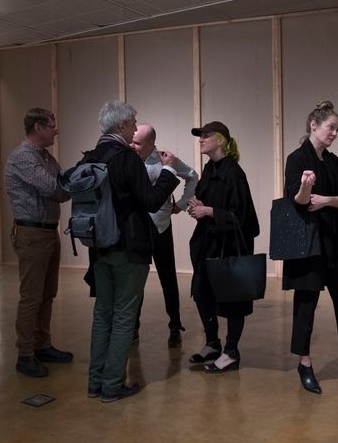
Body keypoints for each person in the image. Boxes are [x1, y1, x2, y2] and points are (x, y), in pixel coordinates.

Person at [85, 101, 180, 402]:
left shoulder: (92, 156)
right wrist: (168, 172)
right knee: (124, 315)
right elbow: (151, 201)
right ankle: (113, 384)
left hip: (99, 248)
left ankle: (95, 382)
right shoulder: (126, 157)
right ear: (122, 125)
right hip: (128, 247)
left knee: (103, 314)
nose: (136, 128)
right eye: (134, 123)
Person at [282, 101, 338, 394]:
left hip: (337, 243)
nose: (334, 133)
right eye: (331, 127)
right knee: (305, 306)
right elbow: (296, 200)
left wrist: (326, 201)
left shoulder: (333, 161)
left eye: (337, 129)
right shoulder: (296, 159)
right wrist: (306, 189)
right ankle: (304, 363)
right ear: (314, 125)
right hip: (309, 245)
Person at [5, 107, 72, 378]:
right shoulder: (23, 157)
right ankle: (25, 354)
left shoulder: (45, 156)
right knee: (31, 296)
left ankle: (42, 345)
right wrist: (63, 186)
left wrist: (64, 186)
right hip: (32, 234)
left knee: (47, 294)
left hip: (48, 232)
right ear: (38, 127)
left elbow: (65, 189)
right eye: (52, 126)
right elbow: (53, 187)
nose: (56, 130)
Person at [187, 121, 259, 373]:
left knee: (233, 299)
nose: (201, 139)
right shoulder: (209, 169)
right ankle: (212, 344)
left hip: (230, 246)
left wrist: (209, 211)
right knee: (201, 292)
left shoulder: (234, 173)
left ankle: (231, 352)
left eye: (206, 135)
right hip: (208, 244)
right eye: (200, 136)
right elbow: (206, 201)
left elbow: (242, 216)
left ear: (220, 140)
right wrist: (197, 206)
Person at [131, 123, 198, 348]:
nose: (133, 145)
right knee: (135, 279)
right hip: (136, 227)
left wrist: (181, 203)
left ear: (151, 143)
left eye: (138, 142)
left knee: (167, 277)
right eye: (132, 141)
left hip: (160, 226)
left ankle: (175, 325)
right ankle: (132, 327)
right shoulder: (129, 158)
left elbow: (192, 176)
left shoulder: (165, 159)